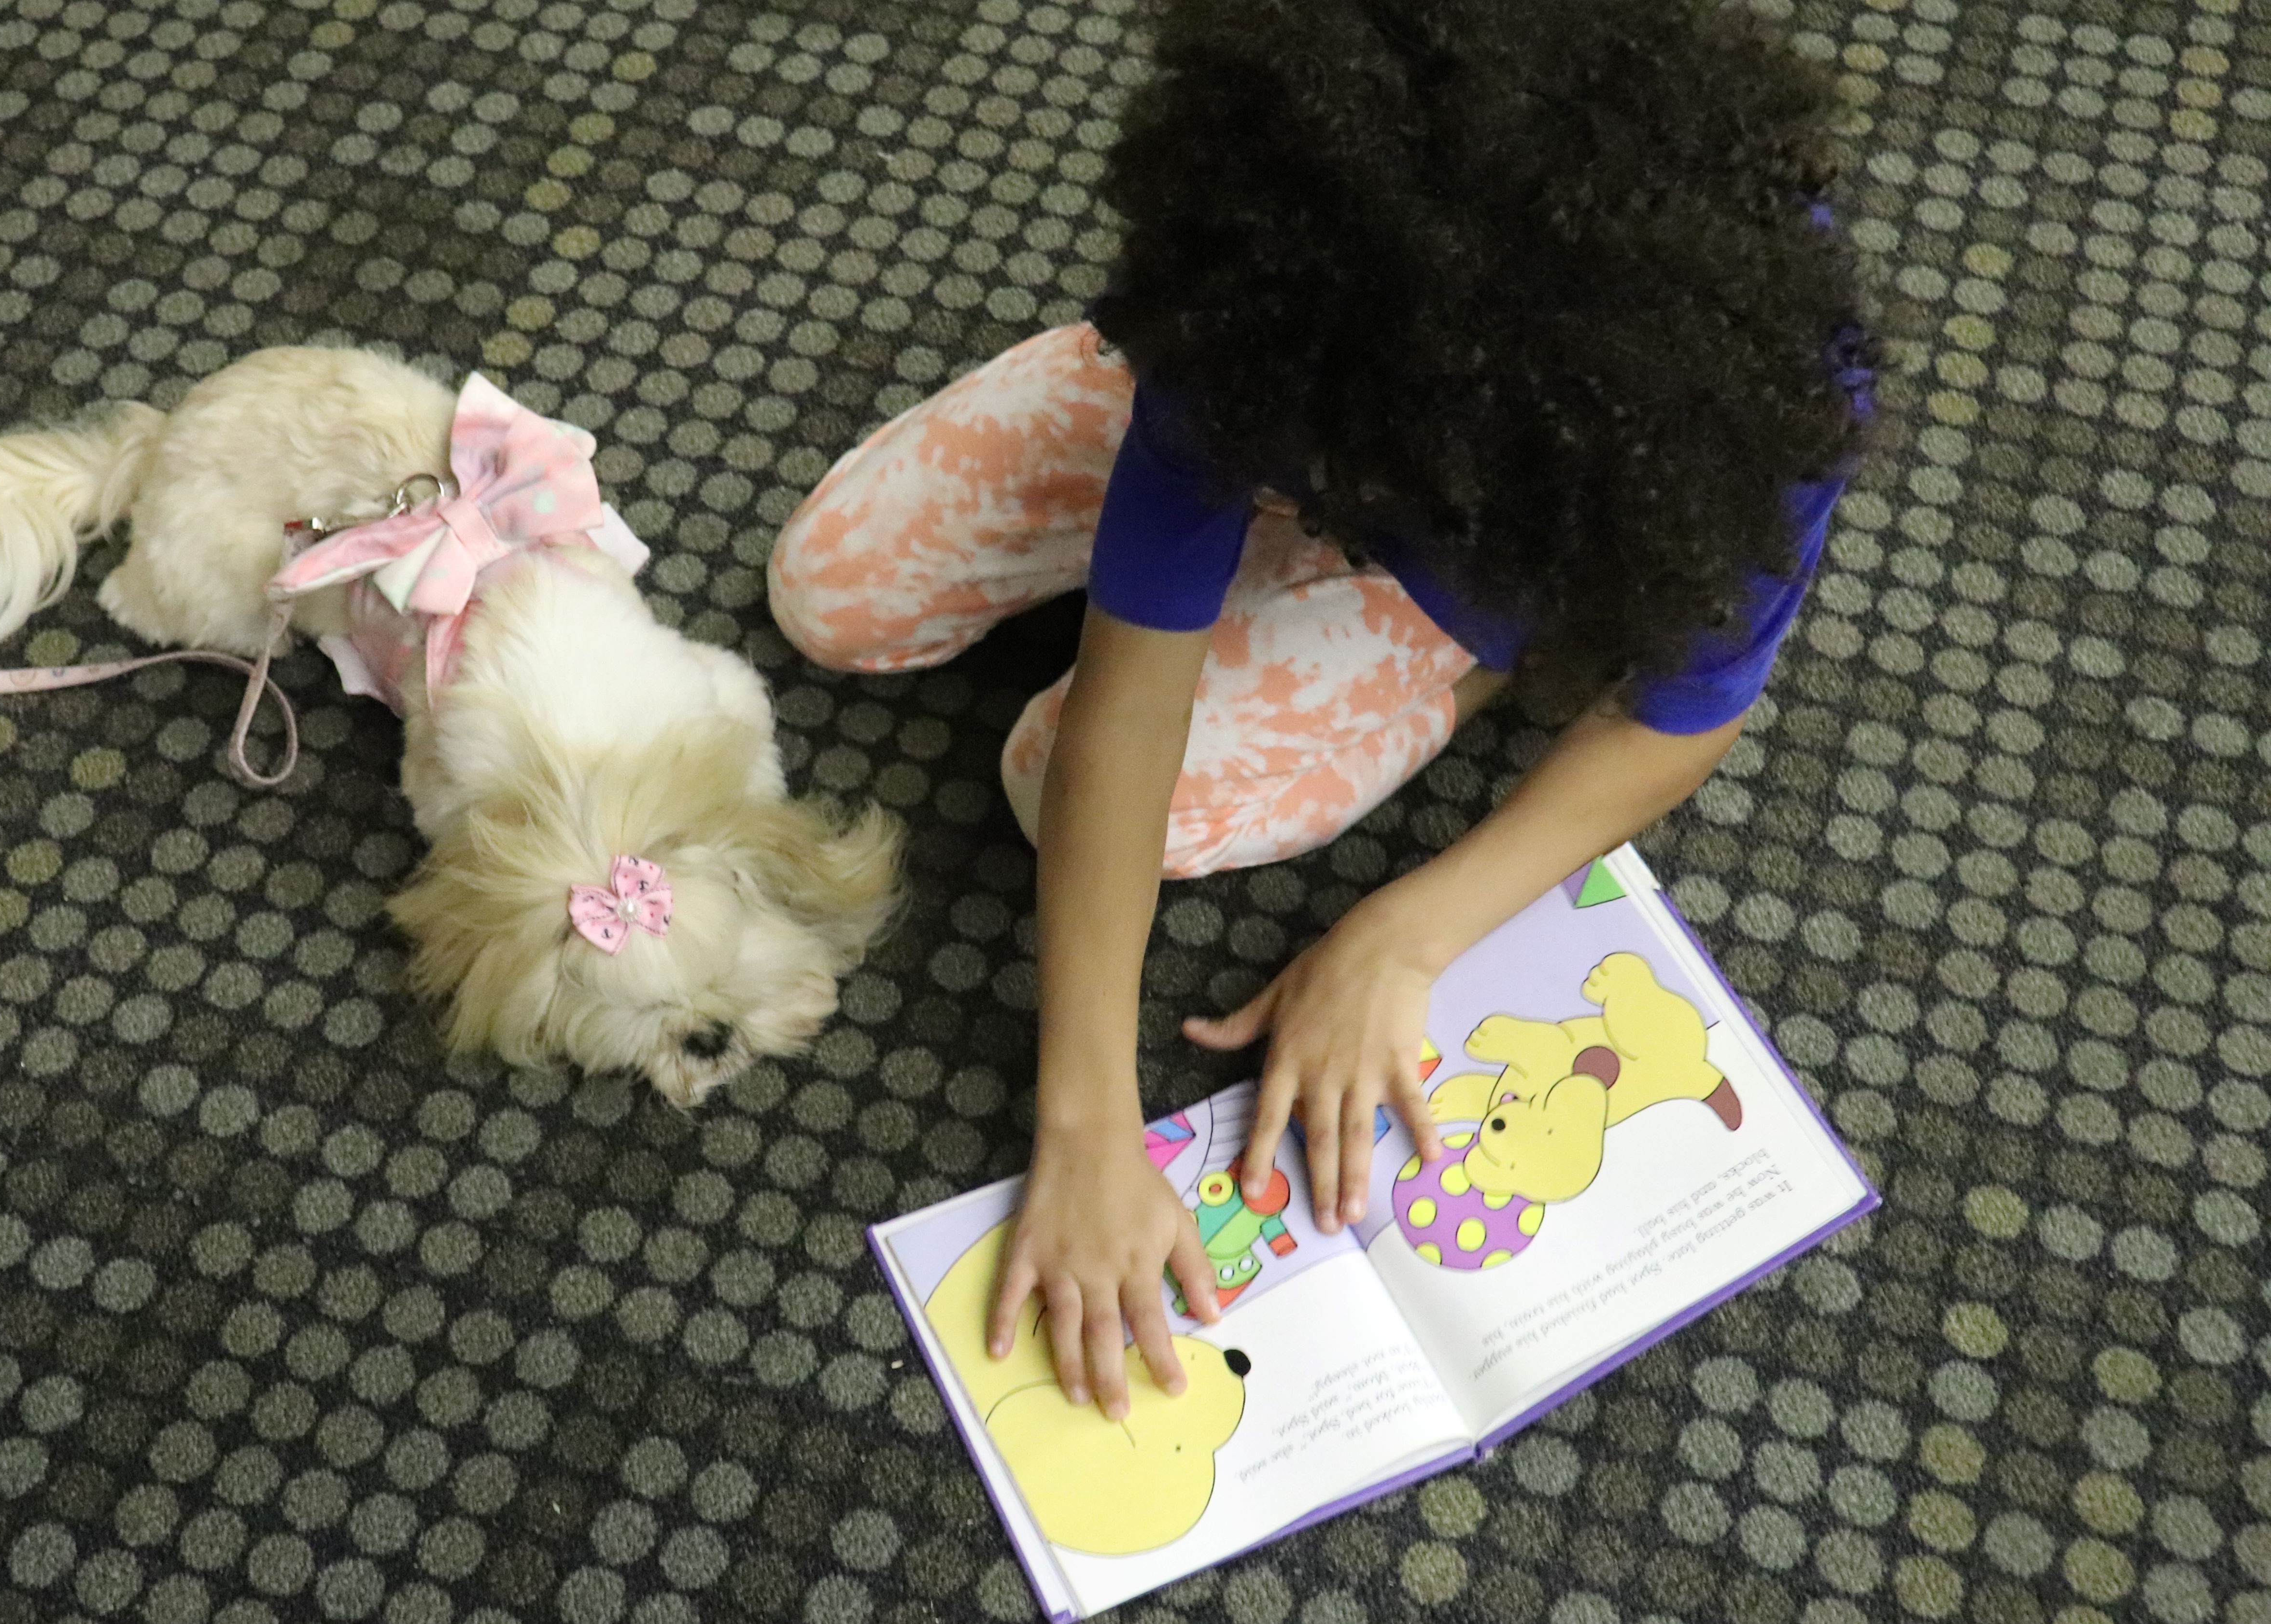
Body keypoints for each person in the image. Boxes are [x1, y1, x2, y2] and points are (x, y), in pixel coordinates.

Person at [768, 0, 1876, 1421]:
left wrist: (1406, 931)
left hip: (1492, 558)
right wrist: (1087, 1117)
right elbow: (1133, 692)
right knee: (830, 592)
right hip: (1293, 384)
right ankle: (1265, 483)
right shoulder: (1279, 287)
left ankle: (1477, 670)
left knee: (1046, 779)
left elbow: (1685, 714)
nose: (1345, 507)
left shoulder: (1747, 376)